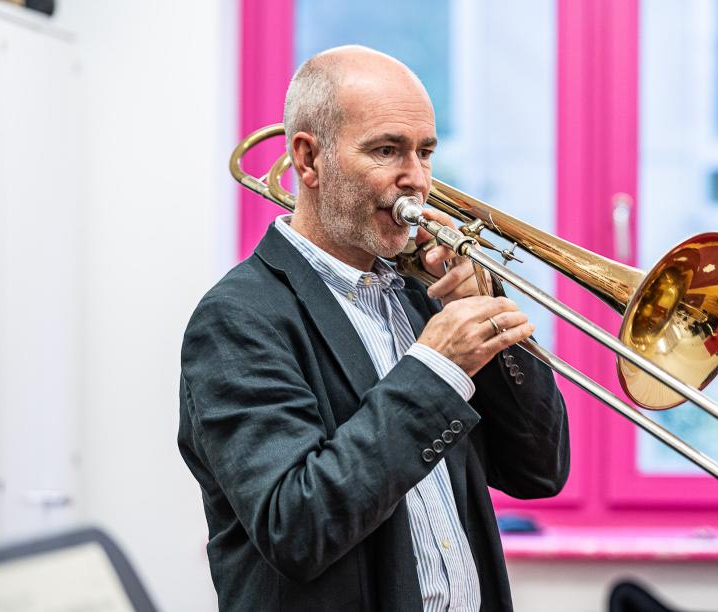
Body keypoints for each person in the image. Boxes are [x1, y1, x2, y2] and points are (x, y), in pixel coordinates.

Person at [178, 45, 569, 611]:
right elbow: (296, 526)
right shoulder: (237, 319)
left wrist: (487, 306)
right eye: (387, 150)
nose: (417, 180)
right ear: (308, 160)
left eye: (425, 153)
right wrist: (436, 370)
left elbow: (539, 470)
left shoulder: (423, 295)